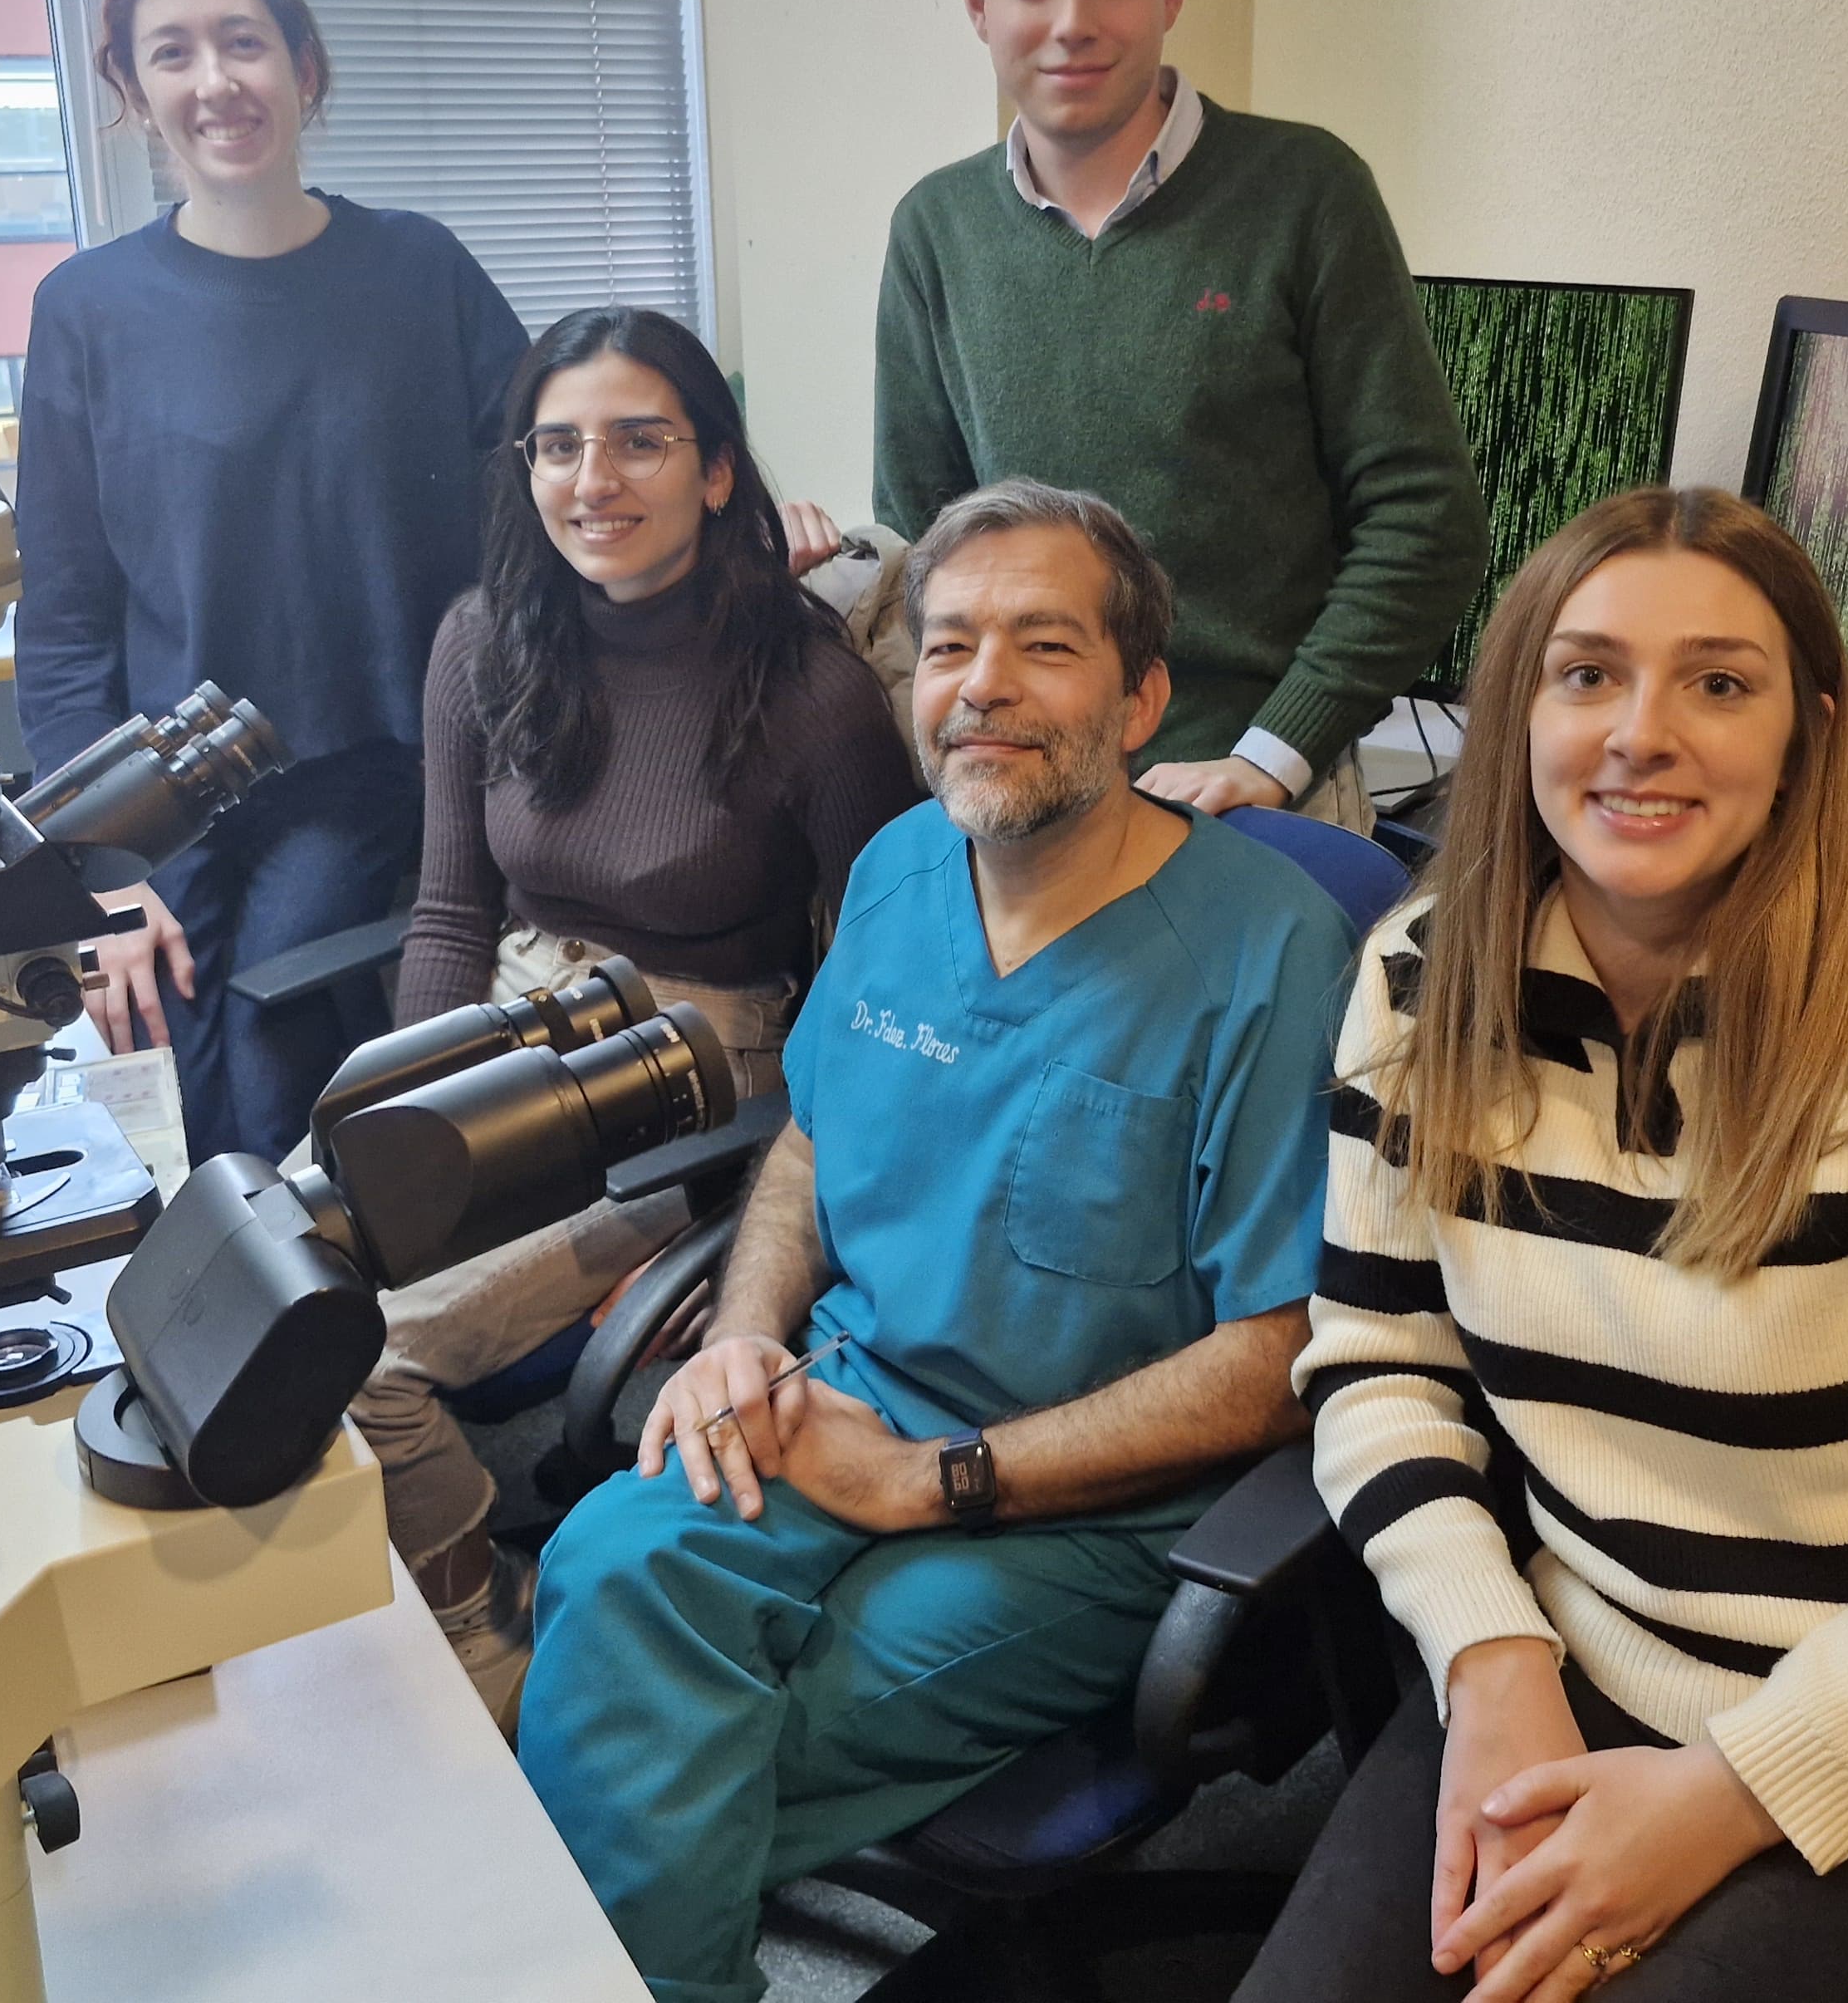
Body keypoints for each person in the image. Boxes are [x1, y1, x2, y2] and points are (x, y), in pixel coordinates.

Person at [1246, 488, 1848, 2003]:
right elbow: (1376, 1361)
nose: (1641, 733)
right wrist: (1492, 1658)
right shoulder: (1427, 982)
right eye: (1588, 673)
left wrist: (1731, 1793)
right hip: (1582, 1671)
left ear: (1809, 730)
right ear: (1520, 710)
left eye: (1720, 683)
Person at [515, 481, 1359, 2003]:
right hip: (838, 1398)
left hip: (1094, 1513)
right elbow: (812, 1150)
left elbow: (1281, 1355)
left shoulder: (1268, 953)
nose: (984, 686)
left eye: (1044, 646)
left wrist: (939, 1481)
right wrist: (742, 1336)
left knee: (666, 1729)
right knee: (604, 1567)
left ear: (1143, 693)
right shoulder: (905, 868)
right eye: (950, 644)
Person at [354, 304, 917, 1727]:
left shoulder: (814, 692)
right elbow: (447, 917)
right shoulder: (486, 639)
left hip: (693, 1074)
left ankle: (495, 1634)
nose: (590, 480)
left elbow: (885, 988)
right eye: (557, 446)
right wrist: (383, 1115)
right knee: (265, 1290)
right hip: (505, 1023)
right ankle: (403, 1595)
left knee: (360, 1362)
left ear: (717, 472)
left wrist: (741, 1204)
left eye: (637, 442)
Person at [14, 0, 528, 1165]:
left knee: (265, 1072)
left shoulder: (418, 271)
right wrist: (106, 878)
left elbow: (563, 459)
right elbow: (67, 617)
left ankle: (335, 1355)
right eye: (174, 53)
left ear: (302, 64)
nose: (215, 83)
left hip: (375, 764)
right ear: (132, 91)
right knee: (165, 1084)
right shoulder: (85, 310)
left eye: (242, 42)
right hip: (165, 798)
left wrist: (747, 495)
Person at [872, 0, 1488, 827]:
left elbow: (1426, 521)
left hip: (1257, 793)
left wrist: (1278, 748)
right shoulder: (936, 229)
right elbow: (925, 549)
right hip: (1024, 793)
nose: (1072, 23)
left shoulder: (1305, 192)